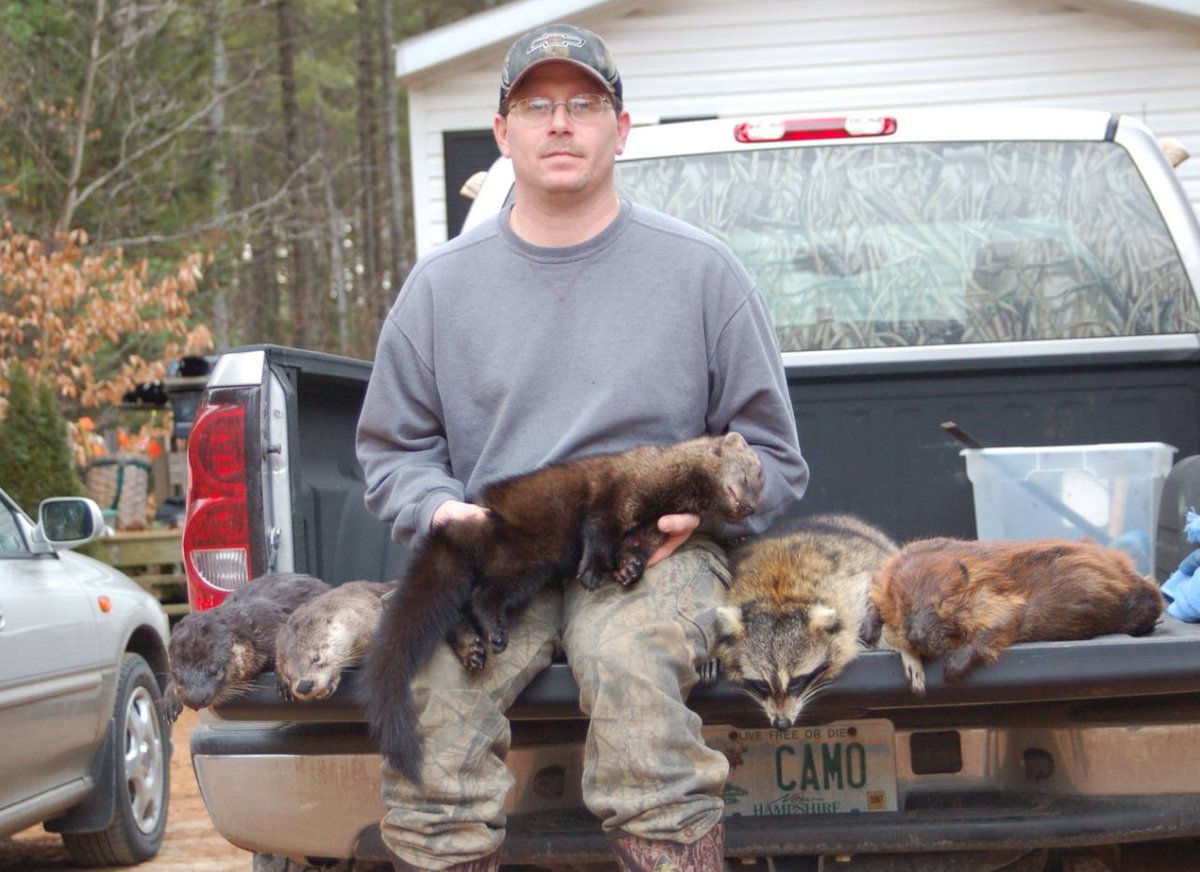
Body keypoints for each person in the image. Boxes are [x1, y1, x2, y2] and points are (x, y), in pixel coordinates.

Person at [356, 22, 808, 872]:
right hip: (507, 549)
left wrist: (690, 517)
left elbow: (775, 457)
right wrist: (436, 509)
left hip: (654, 551)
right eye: (536, 105)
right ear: (503, 133)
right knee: (434, 706)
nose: (559, 123)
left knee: (631, 667)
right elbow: (392, 453)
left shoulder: (702, 273)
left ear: (620, 127)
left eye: (582, 103)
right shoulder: (439, 289)